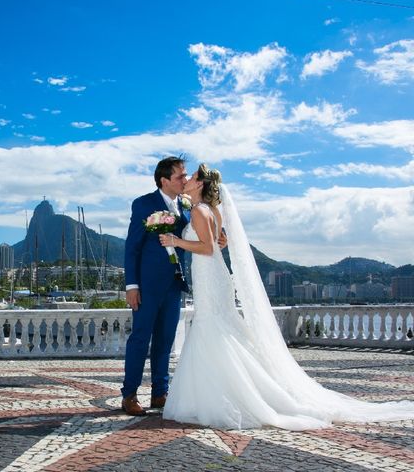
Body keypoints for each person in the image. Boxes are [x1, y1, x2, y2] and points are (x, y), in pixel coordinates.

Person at [159, 163, 414, 430]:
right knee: (220, 328)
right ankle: (237, 388)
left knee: (212, 327)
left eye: (192, 177)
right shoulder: (211, 211)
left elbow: (209, 248)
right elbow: (220, 241)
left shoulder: (199, 211)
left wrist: (176, 242)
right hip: (215, 277)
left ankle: (223, 396)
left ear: (200, 184)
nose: (186, 180)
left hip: (209, 276)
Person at [121, 156, 190, 416]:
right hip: (147, 286)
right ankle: (129, 395)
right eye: (180, 177)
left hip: (174, 285)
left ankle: (160, 393)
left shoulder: (186, 205)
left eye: (185, 175)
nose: (184, 180)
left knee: (166, 340)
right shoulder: (143, 204)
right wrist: (132, 286)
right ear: (164, 181)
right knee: (140, 339)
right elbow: (132, 248)